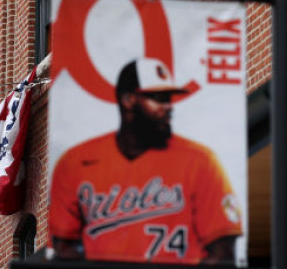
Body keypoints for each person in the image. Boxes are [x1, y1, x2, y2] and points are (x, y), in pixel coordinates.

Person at [49, 58, 243, 264]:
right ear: (128, 100)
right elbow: (64, 249)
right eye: (159, 98)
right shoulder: (75, 162)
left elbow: (223, 253)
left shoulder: (200, 160)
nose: (168, 107)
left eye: (169, 98)